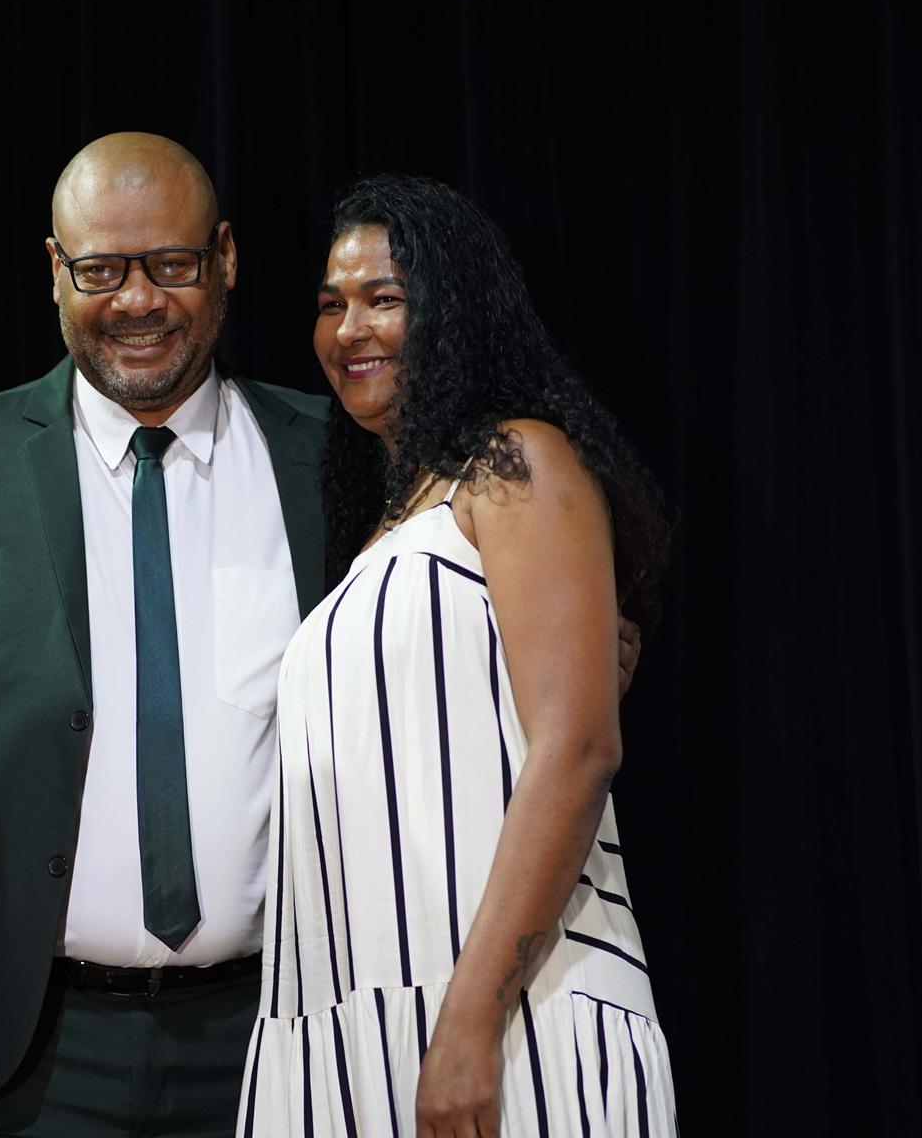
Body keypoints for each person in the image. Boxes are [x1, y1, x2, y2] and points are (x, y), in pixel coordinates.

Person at [0, 134, 641, 1138]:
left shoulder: (338, 456)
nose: (138, 301)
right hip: (12, 1046)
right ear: (55, 271)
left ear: (227, 259)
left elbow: (492, 654)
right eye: (102, 270)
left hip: (283, 1032)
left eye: (172, 265)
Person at [238, 174, 678, 1137]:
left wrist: (472, 1021)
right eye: (330, 304)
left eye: (383, 298)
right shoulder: (384, 527)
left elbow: (577, 749)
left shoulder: (516, 463)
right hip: (351, 1027)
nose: (349, 328)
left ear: (454, 309)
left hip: (511, 1019)